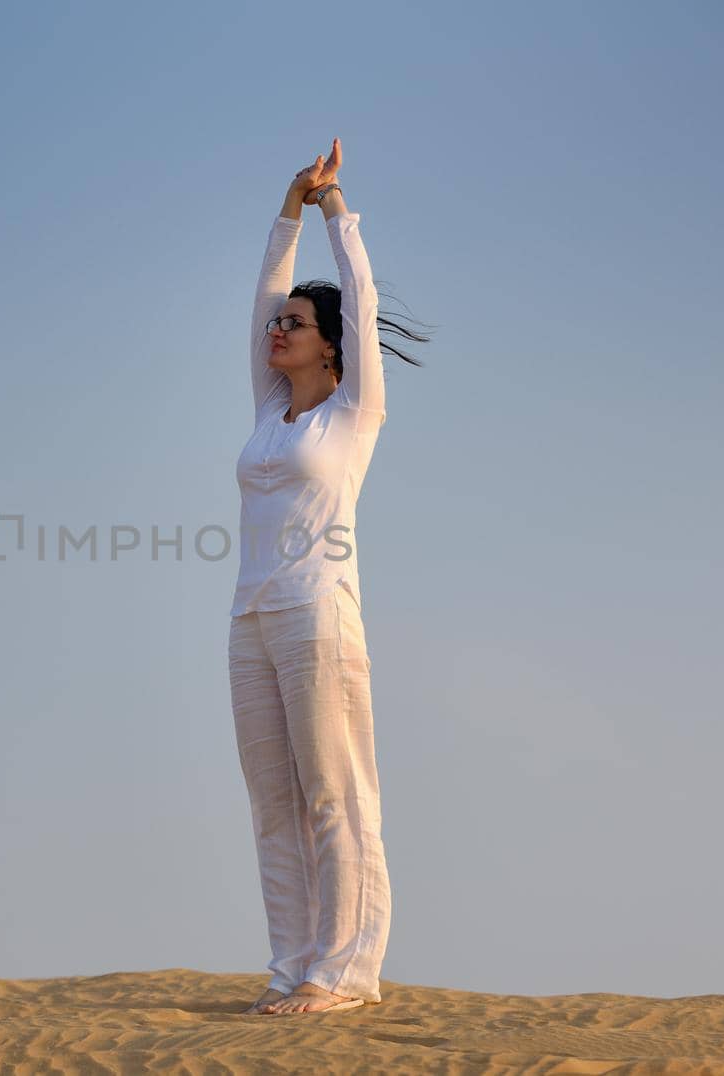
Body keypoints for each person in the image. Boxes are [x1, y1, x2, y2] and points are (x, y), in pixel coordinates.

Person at [231, 139, 428, 1016]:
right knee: (273, 804)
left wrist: (335, 208)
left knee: (333, 795)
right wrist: (286, 206)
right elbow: (263, 299)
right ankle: (290, 967)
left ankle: (341, 974)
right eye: (279, 323)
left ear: (332, 351)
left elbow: (364, 294)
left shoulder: (354, 414)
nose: (279, 329)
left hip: (319, 614)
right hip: (252, 618)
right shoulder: (272, 412)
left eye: (297, 326)